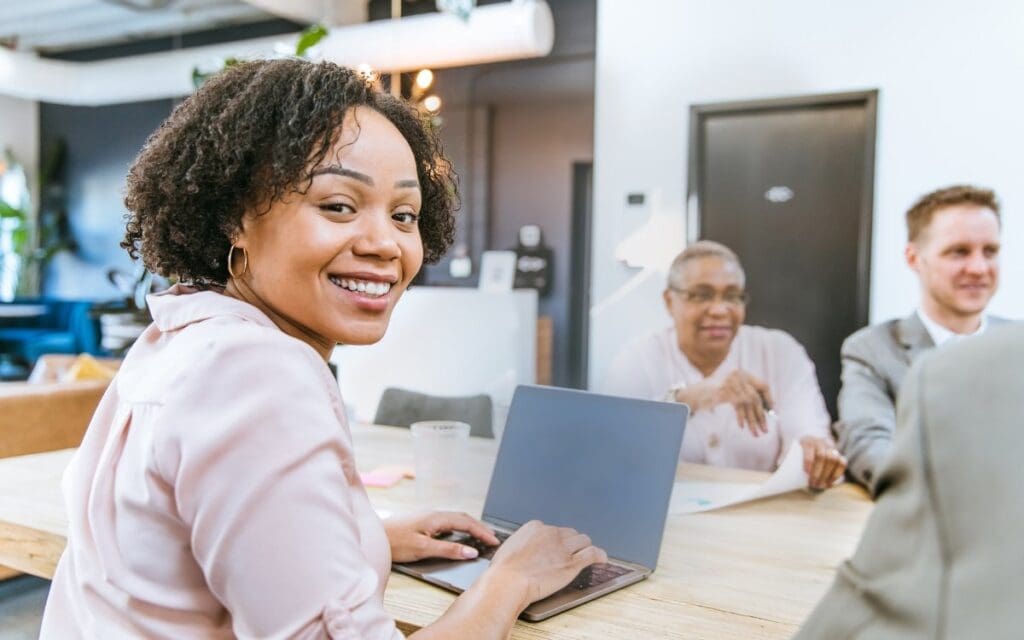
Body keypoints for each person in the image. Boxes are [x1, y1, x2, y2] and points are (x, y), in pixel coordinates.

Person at [40, 59, 606, 639]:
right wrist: (509, 581)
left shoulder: (182, 336)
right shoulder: (258, 373)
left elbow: (176, 548)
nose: (385, 243)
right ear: (236, 216)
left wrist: (361, 538)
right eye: (338, 205)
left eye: (403, 214)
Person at [796, 322, 1023, 638]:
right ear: (917, 267)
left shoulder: (1006, 344)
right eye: (955, 265)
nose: (976, 269)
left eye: (991, 265)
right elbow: (867, 439)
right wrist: (931, 484)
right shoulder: (872, 347)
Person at [603, 241, 845, 489]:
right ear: (669, 301)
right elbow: (612, 453)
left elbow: (807, 432)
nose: (719, 309)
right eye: (701, 295)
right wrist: (689, 398)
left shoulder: (779, 352)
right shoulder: (637, 360)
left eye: (732, 296)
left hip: (761, 514)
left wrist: (814, 454)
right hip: (671, 515)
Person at [835, 185, 1005, 494]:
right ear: (914, 258)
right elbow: (869, 446)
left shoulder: (1016, 343)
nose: (979, 268)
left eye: (990, 251)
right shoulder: (871, 350)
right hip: (927, 522)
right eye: (959, 252)